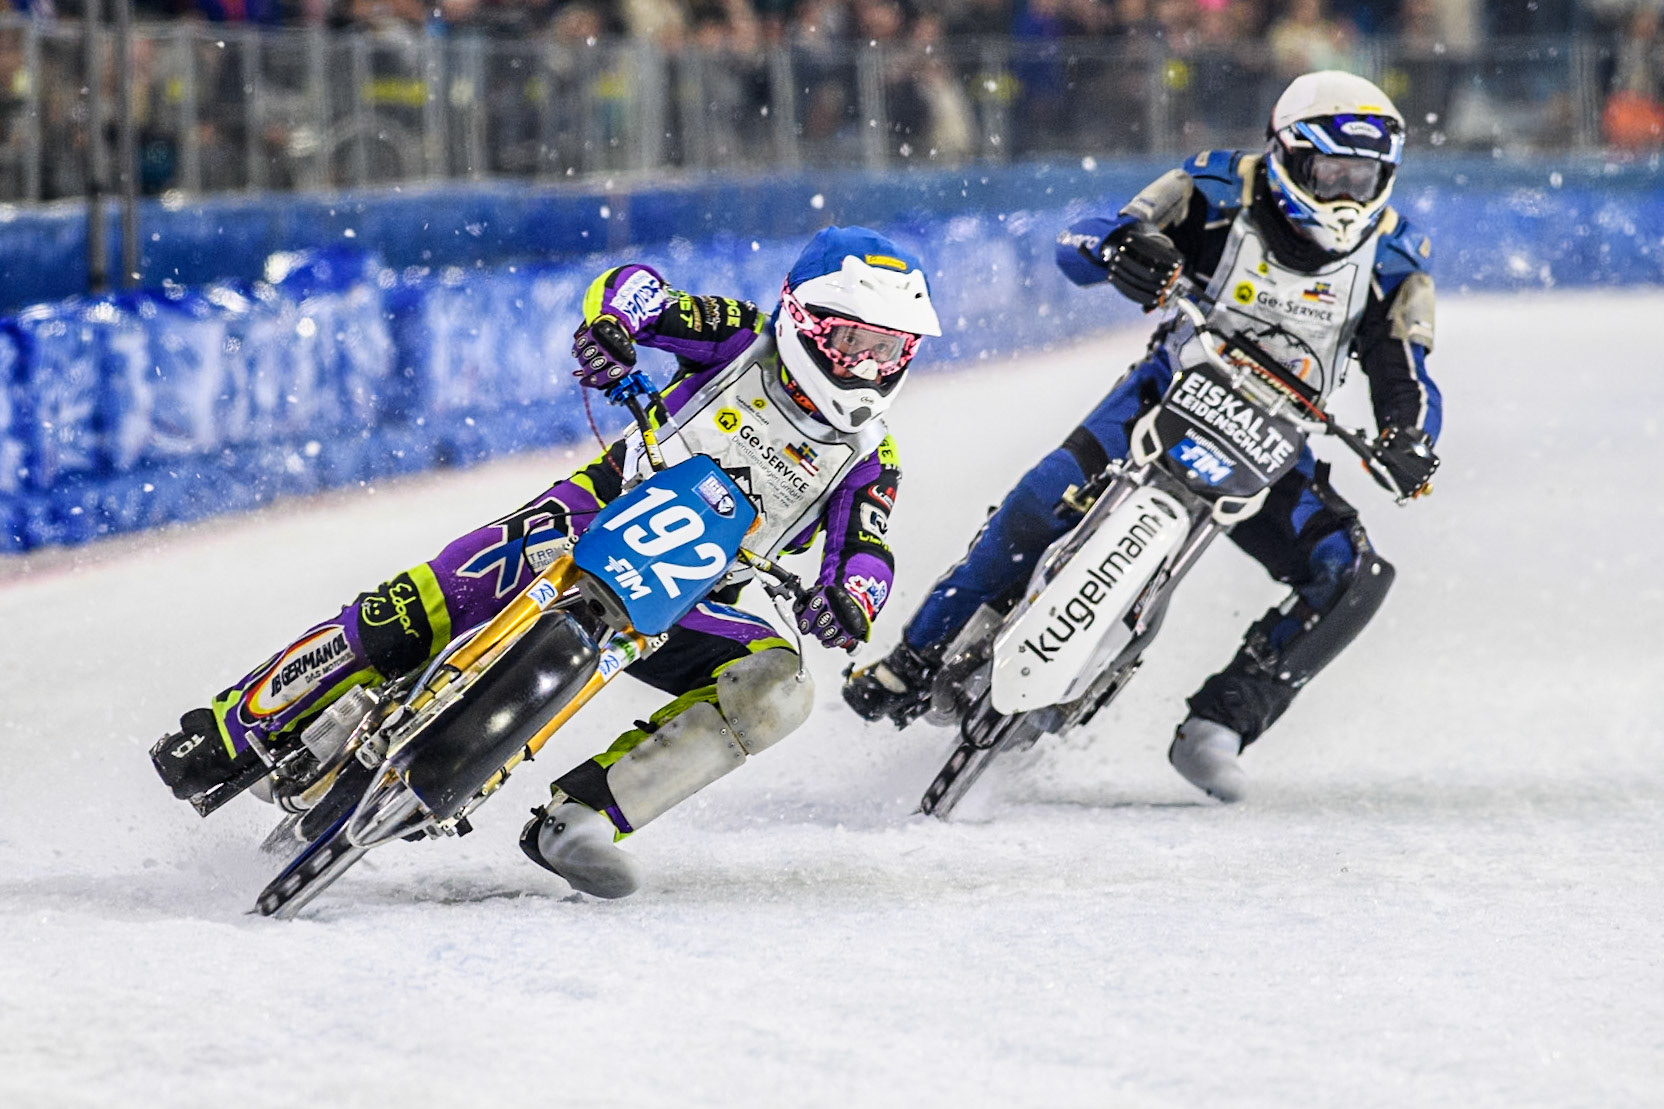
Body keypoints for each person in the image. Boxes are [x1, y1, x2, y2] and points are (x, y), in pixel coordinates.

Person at [151, 226, 940, 897]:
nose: (868, 368)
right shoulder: (738, 335)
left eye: (888, 350)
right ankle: (233, 725)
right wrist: (616, 329)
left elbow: (868, 549)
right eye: (852, 343)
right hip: (592, 510)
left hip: (691, 594)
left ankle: (584, 820)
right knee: (427, 599)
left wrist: (849, 602)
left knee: (779, 688)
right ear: (801, 320)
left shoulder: (872, 459)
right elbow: (638, 289)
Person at [844, 71, 1440, 802]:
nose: (1347, 194)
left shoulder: (1396, 257)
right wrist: (1124, 248)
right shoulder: (1216, 188)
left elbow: (1404, 367)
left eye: (1365, 177)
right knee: (1038, 502)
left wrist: (1408, 436)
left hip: (1276, 440)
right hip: (1168, 387)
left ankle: (1219, 725)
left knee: (1352, 573)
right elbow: (1086, 238)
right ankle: (914, 656)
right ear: (1289, 155)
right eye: (1332, 172)